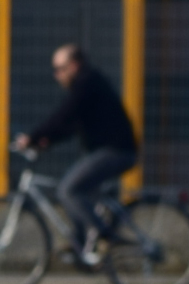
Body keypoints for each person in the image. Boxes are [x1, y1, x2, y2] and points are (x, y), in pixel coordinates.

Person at [12, 43, 138, 266]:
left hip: (116, 151)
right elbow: (70, 126)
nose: (56, 75)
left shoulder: (86, 83)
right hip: (112, 150)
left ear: (74, 65)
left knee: (68, 189)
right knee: (80, 193)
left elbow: (64, 115)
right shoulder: (87, 85)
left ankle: (104, 235)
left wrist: (32, 138)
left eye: (60, 69)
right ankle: (81, 245)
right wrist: (46, 141)